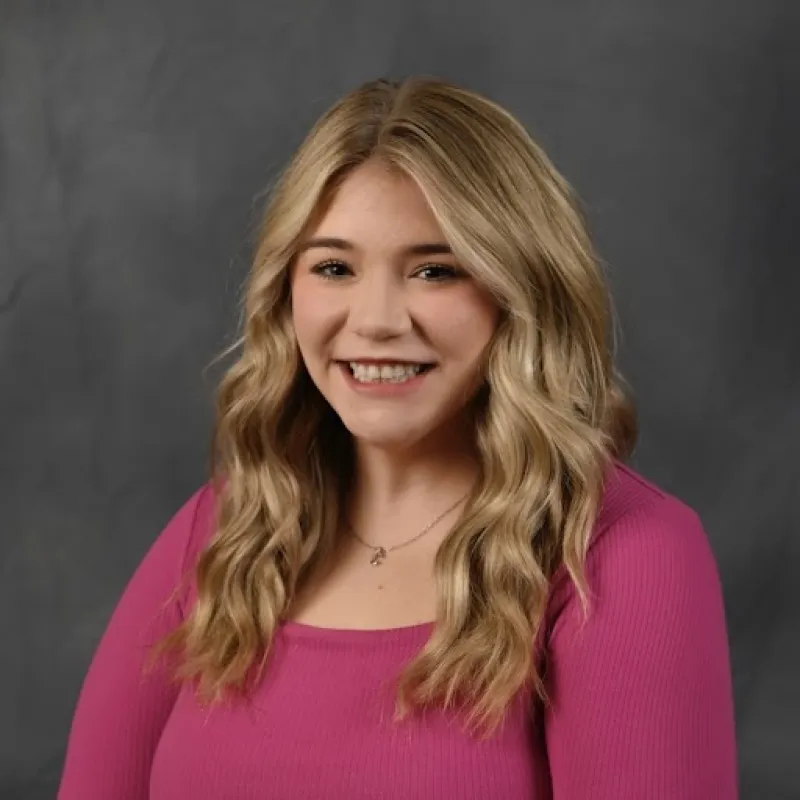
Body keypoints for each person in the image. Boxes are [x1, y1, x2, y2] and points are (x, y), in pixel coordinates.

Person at [57, 76, 738, 799]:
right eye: (333, 268)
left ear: (522, 294)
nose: (375, 318)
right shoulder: (223, 532)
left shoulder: (624, 558)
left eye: (435, 270)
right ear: (284, 292)